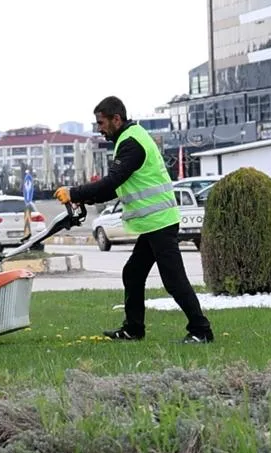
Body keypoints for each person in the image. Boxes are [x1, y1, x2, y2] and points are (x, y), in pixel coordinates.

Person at [55, 96, 213, 343]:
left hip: (160, 221)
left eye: (101, 122)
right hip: (154, 223)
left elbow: (112, 181)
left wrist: (74, 193)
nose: (99, 128)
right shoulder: (129, 139)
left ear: (116, 119)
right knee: (133, 273)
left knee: (173, 280)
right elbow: (113, 189)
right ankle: (133, 330)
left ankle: (201, 330)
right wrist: (82, 199)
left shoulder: (131, 143)